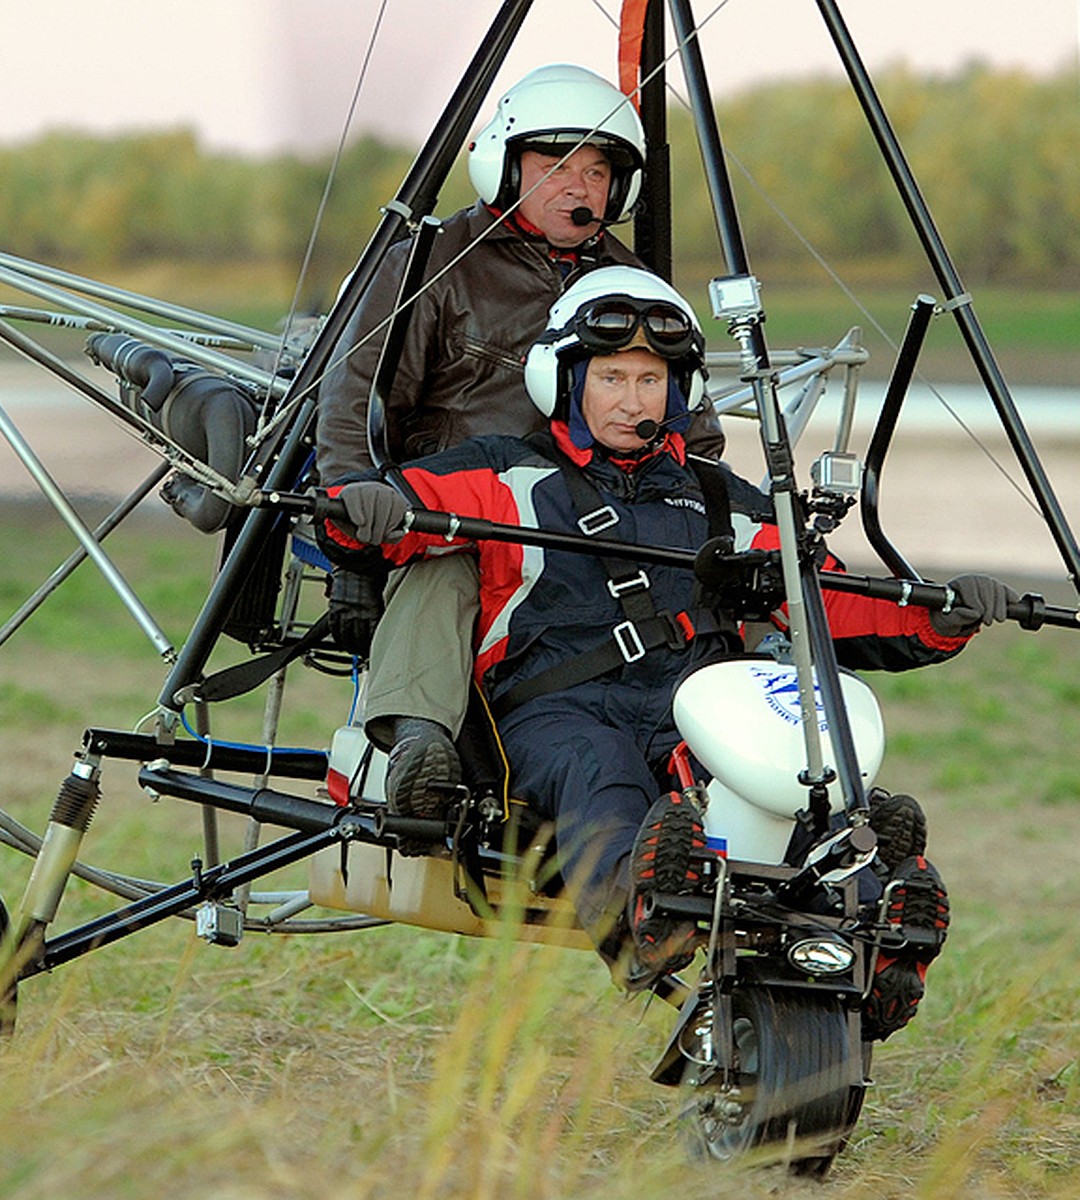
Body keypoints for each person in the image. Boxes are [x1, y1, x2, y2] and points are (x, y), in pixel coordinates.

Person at [319, 265, 1015, 1039]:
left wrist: (941, 615)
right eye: (611, 376)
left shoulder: (725, 501)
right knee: (602, 778)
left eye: (651, 381)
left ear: (676, 393)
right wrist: (364, 509)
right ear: (566, 380)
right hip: (558, 711)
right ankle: (649, 908)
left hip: (697, 710)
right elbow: (374, 522)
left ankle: (878, 928)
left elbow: (829, 602)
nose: (631, 400)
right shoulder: (499, 474)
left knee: (791, 791)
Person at [315, 63, 725, 819]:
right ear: (506, 163)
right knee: (451, 560)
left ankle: (732, 778)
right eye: (559, 165)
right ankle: (418, 745)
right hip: (467, 514)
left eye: (599, 170)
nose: (583, 188)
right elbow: (354, 400)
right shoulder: (433, 262)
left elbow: (695, 442)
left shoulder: (630, 285)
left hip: (600, 528)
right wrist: (351, 513)